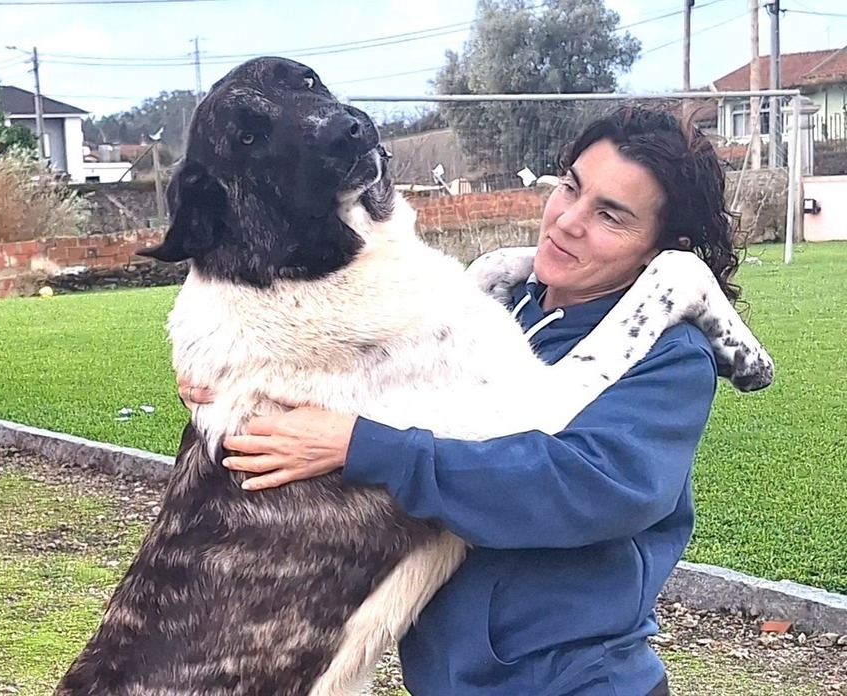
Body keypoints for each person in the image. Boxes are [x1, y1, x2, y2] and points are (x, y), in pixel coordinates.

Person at [177, 105, 742, 696]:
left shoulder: (669, 355)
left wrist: (363, 446)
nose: (568, 220)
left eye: (611, 215)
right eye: (572, 187)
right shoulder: (512, 308)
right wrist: (227, 379)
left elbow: (587, 485)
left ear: (658, 249)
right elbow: (355, 376)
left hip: (574, 682)